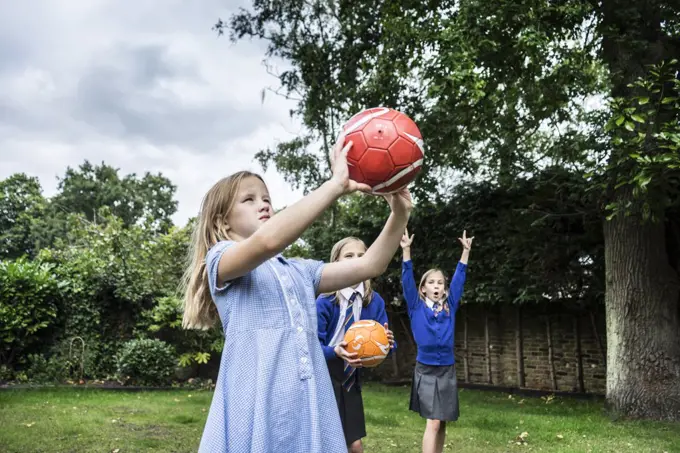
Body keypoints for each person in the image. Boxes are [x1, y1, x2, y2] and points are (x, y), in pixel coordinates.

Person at [181, 133, 412, 453]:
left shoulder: (298, 271)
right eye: (249, 199)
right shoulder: (221, 260)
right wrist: (335, 185)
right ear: (223, 221)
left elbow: (370, 265)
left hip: (306, 405)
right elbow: (267, 242)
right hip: (257, 406)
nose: (263, 203)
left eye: (266, 198)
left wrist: (400, 213)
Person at [400, 228, 474, 453]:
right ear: (423, 288)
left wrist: (465, 253)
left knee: (442, 421)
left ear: (444, 289)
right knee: (432, 421)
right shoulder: (415, 306)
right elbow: (406, 281)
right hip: (426, 369)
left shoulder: (450, 306)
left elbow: (459, 280)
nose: (436, 286)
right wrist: (406, 251)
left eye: (440, 283)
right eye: (431, 282)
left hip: (446, 368)